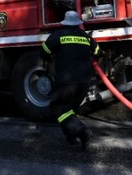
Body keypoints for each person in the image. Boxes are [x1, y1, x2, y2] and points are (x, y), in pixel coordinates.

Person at [41, 10, 101, 150]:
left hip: (67, 81)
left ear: (65, 23)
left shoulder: (58, 35)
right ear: (77, 23)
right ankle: (71, 137)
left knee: (57, 107)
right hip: (84, 82)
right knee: (70, 110)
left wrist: (51, 58)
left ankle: (82, 131)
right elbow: (98, 51)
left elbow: (44, 52)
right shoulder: (85, 37)